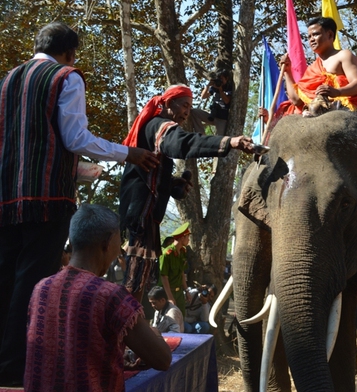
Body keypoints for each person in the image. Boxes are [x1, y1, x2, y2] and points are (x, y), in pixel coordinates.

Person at [0, 22, 158, 387]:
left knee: (5, 279)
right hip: (47, 202)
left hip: (7, 201)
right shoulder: (66, 77)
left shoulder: (7, 81)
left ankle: (4, 368)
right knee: (33, 284)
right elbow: (75, 137)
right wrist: (128, 153)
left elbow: (30, 143)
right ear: (70, 53)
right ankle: (17, 372)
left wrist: (81, 170)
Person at [119, 84, 255, 305]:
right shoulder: (160, 126)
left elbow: (150, 176)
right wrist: (229, 141)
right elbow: (182, 143)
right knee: (133, 282)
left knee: (138, 281)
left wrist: (173, 185)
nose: (186, 112)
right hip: (141, 216)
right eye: (184, 105)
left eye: (190, 107)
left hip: (144, 215)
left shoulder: (153, 128)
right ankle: (123, 327)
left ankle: (129, 323)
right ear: (168, 103)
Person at [24, 204, 171, 391]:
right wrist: (156, 334)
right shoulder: (110, 296)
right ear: (107, 242)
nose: (120, 251)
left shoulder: (41, 289)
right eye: (120, 242)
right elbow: (162, 359)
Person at [278, 17, 357, 118]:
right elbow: (296, 100)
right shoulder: (312, 68)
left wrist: (337, 92)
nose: (311, 39)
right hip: (318, 114)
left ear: (330, 34)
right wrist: (287, 71)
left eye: (316, 34)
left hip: (349, 109)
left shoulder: (344, 55)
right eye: (309, 37)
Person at [159, 223, 190, 315]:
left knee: (181, 317)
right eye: (187, 238)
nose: (188, 240)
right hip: (167, 292)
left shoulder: (183, 252)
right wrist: (170, 297)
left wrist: (187, 290)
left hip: (179, 292)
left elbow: (182, 273)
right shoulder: (166, 254)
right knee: (168, 318)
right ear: (182, 238)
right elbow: (164, 277)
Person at [200, 69, 233, 134]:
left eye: (221, 79)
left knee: (220, 138)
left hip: (222, 117)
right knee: (194, 112)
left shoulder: (230, 87)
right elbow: (203, 96)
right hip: (212, 114)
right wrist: (208, 86)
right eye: (218, 79)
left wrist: (221, 90)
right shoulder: (214, 87)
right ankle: (201, 136)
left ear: (227, 78)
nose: (220, 81)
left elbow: (227, 101)